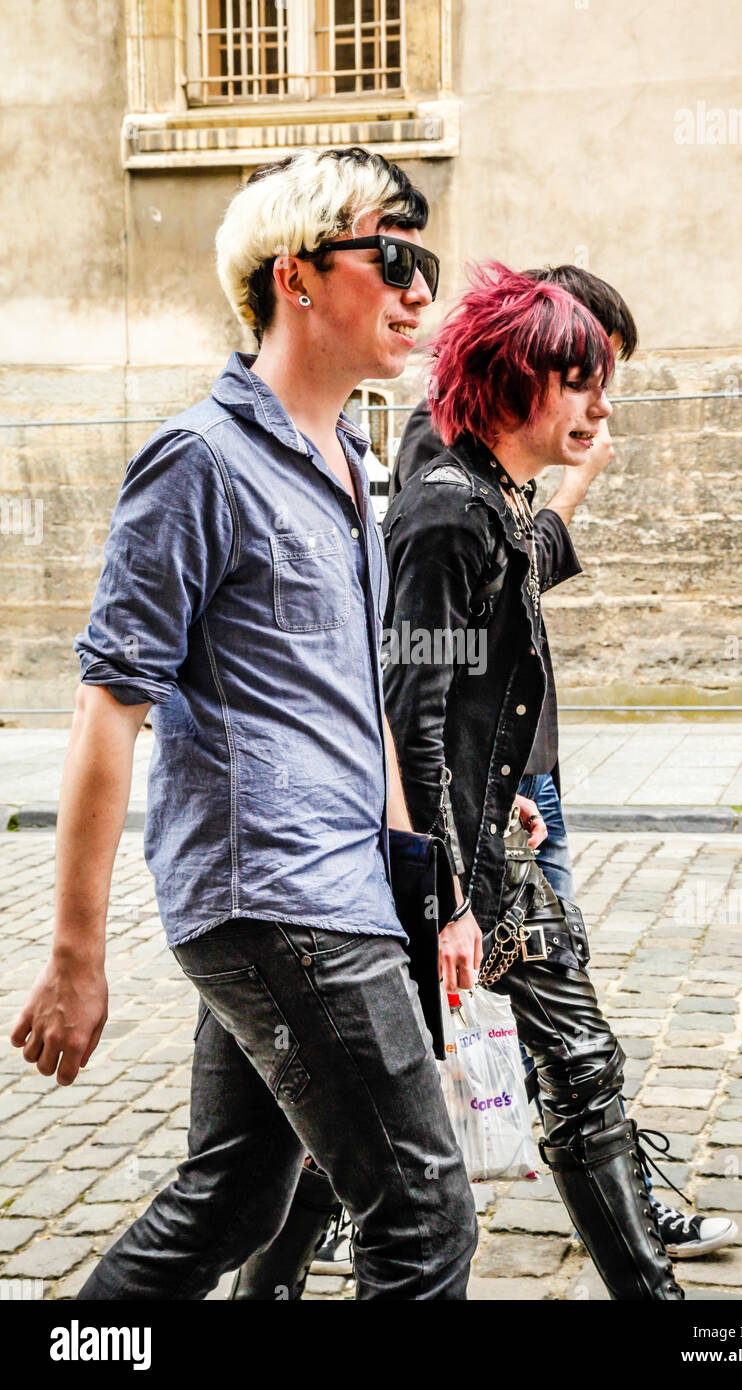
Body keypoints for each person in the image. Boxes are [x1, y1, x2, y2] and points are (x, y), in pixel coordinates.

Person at [9, 146, 478, 1300]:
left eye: (424, 261)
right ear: (294, 275)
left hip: (335, 887)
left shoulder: (351, 466)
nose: (420, 289)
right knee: (422, 1219)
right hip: (275, 896)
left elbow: (355, 701)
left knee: (234, 1196)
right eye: (392, 257)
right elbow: (109, 703)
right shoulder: (199, 462)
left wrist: (422, 881)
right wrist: (74, 956)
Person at [390, 264, 737, 1263]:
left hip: (497, 801)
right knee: (383, 1069)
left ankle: (632, 1224)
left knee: (572, 1047)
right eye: (585, 376)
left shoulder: (495, 488)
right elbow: (416, 703)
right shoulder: (447, 492)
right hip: (450, 828)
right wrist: (451, 888)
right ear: (519, 377)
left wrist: (501, 799)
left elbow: (484, 636)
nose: (602, 402)